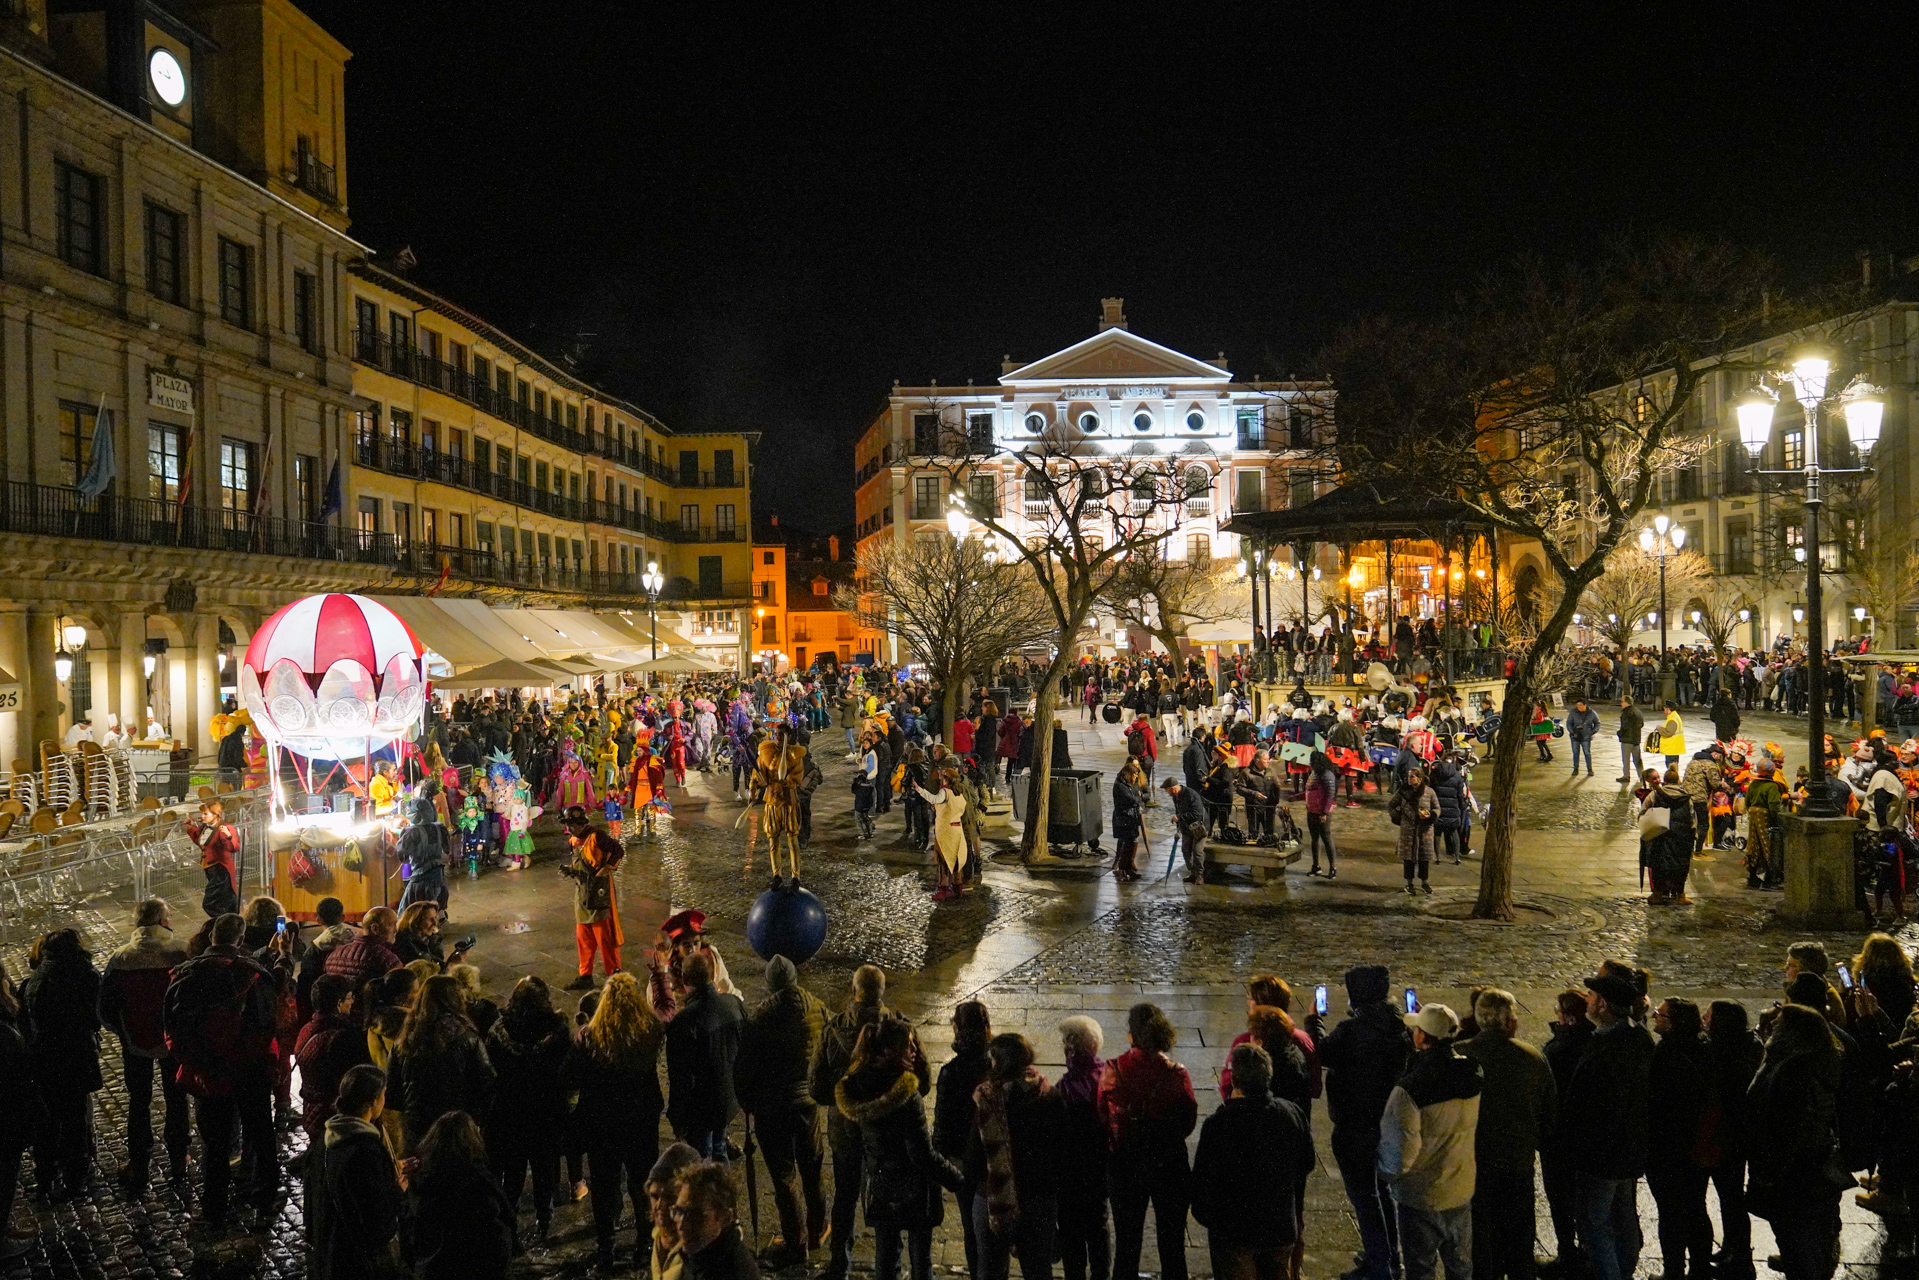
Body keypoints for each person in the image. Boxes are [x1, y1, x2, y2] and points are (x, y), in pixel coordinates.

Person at [162, 913, 285, 1226]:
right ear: (240, 940)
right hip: (249, 1071)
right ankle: (264, 1196)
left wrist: (196, 1063)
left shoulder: (185, 976)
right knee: (261, 1135)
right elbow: (267, 1025)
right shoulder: (251, 975)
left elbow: (172, 1029)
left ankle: (214, 1205)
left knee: (214, 1143)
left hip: (209, 1072)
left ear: (211, 937)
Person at [812, 965, 928, 1280]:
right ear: (882, 992)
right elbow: (924, 1083)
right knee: (889, 1199)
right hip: (889, 1133)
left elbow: (817, 1088)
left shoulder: (833, 1030)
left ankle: (839, 1266)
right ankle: (889, 1269)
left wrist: (845, 1094)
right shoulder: (900, 1029)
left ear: (854, 991)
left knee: (845, 1197)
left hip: (845, 1130)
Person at [836, 1014, 961, 1280]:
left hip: (880, 1182)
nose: (915, 1050)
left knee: (885, 1255)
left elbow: (853, 1138)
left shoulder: (856, 1085)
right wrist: (956, 1179)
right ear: (891, 1050)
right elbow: (922, 1154)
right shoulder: (906, 1094)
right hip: (914, 1187)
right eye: (909, 1045)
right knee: (920, 1258)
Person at [564, 971, 667, 1273]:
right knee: (642, 1182)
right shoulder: (649, 1031)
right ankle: (644, 1245)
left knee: (604, 1185)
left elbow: (568, 1077)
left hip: (602, 1123)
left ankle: (606, 1248)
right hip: (640, 1120)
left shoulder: (589, 1037)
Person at [1315, 964, 1412, 1280]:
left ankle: (1379, 1266)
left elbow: (1322, 1052)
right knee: (1381, 1193)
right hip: (1386, 1121)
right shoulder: (1399, 1027)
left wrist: (1314, 1023)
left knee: (1364, 1197)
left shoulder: (1352, 1031)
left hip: (1354, 1123)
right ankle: (1388, 1255)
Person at [1559, 971, 1656, 1280]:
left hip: (1602, 1154)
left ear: (1603, 1004)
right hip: (1630, 1149)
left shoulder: (1603, 1046)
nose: (1587, 1001)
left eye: (1592, 997)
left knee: (1594, 1223)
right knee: (1624, 1216)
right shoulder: (1640, 1039)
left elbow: (1587, 1103)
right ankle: (1624, 1271)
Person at [1190, 1041, 1314, 1280]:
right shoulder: (1292, 1113)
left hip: (1234, 1232)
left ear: (1236, 1081)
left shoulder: (1220, 1124)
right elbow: (1306, 1163)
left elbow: (1203, 1181)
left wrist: (1210, 1219)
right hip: (1279, 1227)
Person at [734, 956, 828, 1269]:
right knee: (812, 1168)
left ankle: (795, 1243)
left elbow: (745, 1065)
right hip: (807, 1104)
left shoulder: (762, 1016)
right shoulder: (816, 1007)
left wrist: (746, 1101)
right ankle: (817, 1230)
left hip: (773, 1107)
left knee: (785, 1177)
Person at [1379, 1003, 1482, 1280]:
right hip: (1460, 1187)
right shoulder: (1473, 1073)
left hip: (1421, 1196)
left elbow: (1400, 1155)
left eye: (1417, 1029)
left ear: (1423, 1037)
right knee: (1461, 1267)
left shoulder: (1409, 1090)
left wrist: (1385, 1175)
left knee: (1421, 1270)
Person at [1745, 1004, 1849, 1280]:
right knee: (1808, 1237)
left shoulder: (1792, 1069)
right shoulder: (1813, 1061)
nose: (1774, 1026)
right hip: (1810, 1167)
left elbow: (1790, 1127)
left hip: (1791, 1174)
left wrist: (1771, 1173)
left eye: (1780, 1023)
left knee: (1796, 1239)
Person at [96, 897, 190, 1193]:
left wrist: (123, 1032)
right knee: (177, 1099)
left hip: (134, 1040)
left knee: (139, 1102)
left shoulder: (120, 958)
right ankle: (178, 1159)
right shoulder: (180, 952)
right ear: (162, 921)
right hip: (173, 1040)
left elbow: (105, 1006)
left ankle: (139, 1163)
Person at [1460, 989, 1555, 1280]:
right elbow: (1549, 1115)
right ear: (1510, 1022)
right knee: (1518, 1237)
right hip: (1516, 1161)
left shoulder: (1461, 1056)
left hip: (1474, 1161)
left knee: (1479, 1237)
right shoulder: (1532, 1058)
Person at [1101, 1002, 1197, 1280]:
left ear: (1131, 1035)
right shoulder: (1177, 1073)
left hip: (1126, 1163)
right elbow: (1188, 1119)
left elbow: (1103, 1115)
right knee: (1173, 1244)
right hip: (1169, 1163)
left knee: (1127, 1244)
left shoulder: (1114, 1069)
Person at [965, 1033, 1063, 1280]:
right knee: (1038, 1272)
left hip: (993, 1198)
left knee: (990, 1271)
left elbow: (974, 1157)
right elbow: (1060, 1152)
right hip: (1037, 1199)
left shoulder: (985, 1098)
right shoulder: (1048, 1094)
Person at [484, 975, 571, 1247]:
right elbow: (565, 1072)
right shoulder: (556, 1030)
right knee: (545, 1169)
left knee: (513, 1173)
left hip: (510, 1111)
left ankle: (509, 1228)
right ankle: (544, 1221)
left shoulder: (499, 1031)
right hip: (545, 1112)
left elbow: (491, 1071)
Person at [22, 929, 102, 1202]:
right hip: (76, 1057)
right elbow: (95, 1019)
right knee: (75, 1120)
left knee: (47, 1122)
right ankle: (75, 1178)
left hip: (45, 1059)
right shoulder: (87, 976)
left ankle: (45, 1176)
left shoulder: (36, 980)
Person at [1646, 998, 1714, 1280]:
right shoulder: (1702, 1047)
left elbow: (1657, 1100)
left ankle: (1674, 1270)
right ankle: (1700, 1268)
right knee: (1696, 1208)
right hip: (1697, 1145)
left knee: (1671, 1213)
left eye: (1661, 1014)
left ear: (1674, 1023)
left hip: (1670, 1148)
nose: (1655, 1017)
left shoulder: (1667, 1052)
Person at [406, 1110, 515, 1280]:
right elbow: (502, 1224)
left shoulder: (423, 1183)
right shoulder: (480, 1180)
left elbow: (414, 1236)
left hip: (436, 1270)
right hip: (478, 1269)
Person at [317, 1065, 402, 1280]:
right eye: (383, 1094)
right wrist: (398, 1188)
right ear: (373, 1101)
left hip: (336, 1249)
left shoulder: (332, 1136)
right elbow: (376, 1218)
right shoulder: (365, 1148)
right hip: (359, 1261)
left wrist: (389, 1170)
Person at [1703, 1001, 1763, 1280]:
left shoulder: (1725, 1052)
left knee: (1731, 1198)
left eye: (1709, 1016)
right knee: (1730, 1197)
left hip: (1728, 1134)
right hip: (1736, 1133)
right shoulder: (1745, 1044)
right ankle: (1732, 1248)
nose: (1704, 1019)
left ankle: (1740, 1258)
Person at [934, 1002, 994, 1280]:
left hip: (963, 1161)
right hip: (995, 1157)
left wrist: (940, 1163)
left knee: (971, 1228)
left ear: (957, 1029)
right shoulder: (995, 1067)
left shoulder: (951, 1072)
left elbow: (942, 1125)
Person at [1537, 991, 1593, 1278]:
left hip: (1559, 1139)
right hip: (1586, 1136)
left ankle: (1567, 1253)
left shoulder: (1557, 1050)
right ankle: (1587, 1252)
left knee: (1560, 1199)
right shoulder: (1594, 1041)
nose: (1556, 1014)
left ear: (1568, 1016)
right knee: (1584, 1199)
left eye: (1557, 1010)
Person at [1055, 1016, 1110, 1280]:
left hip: (1069, 1174)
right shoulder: (1107, 1079)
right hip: (1099, 1169)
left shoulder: (1063, 1090)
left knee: (1071, 1233)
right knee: (1098, 1227)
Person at [562, 808, 627, 989]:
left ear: (582, 823)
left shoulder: (598, 837)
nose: (570, 829)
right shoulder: (573, 841)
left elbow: (618, 851)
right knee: (583, 936)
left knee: (604, 934)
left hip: (599, 891)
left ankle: (614, 973)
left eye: (573, 825)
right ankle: (585, 975)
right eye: (568, 825)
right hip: (582, 892)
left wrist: (605, 870)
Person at [676, 1160, 761, 1280]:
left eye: (696, 1216)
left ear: (725, 1219)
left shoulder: (735, 1273)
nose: (682, 1226)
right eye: (679, 1211)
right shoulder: (699, 1252)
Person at [645, 1142, 705, 1280]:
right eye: (654, 1196)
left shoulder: (699, 1249)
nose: (659, 1206)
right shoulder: (660, 1234)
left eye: (670, 1197)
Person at [1642, 767, 1696, 906]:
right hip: (1681, 836)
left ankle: (1658, 894)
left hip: (1660, 836)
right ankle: (1680, 895)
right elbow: (1693, 818)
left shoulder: (1655, 794)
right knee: (1680, 865)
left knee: (1659, 865)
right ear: (1678, 781)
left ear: (1664, 781)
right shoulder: (1686, 797)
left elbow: (1644, 812)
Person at [323, 906, 404, 998]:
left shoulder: (334, 955)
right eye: (391, 925)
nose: (396, 930)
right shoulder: (387, 959)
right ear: (375, 929)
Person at [185, 801, 240, 918]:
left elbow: (234, 848)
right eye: (202, 813)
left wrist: (228, 835)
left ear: (215, 815)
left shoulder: (225, 828)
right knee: (225, 900)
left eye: (205, 814)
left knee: (210, 903)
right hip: (210, 868)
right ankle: (229, 921)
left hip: (221, 869)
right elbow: (201, 842)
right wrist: (191, 828)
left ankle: (223, 921)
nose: (202, 816)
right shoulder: (204, 828)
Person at [396, 796, 451, 913]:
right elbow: (447, 849)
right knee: (436, 906)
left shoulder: (411, 832)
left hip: (420, 878)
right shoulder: (439, 828)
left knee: (408, 911)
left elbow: (402, 856)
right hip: (438, 876)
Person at [1393, 766, 1439, 895]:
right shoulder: (1403, 792)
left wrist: (1430, 815)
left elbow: (1437, 808)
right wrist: (1398, 817)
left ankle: (1425, 882)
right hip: (1408, 830)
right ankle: (1409, 883)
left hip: (1425, 830)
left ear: (1419, 778)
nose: (1408, 779)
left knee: (1424, 857)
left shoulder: (1429, 792)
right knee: (1409, 858)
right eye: (1408, 776)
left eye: (1411, 776)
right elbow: (1391, 806)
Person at [1160, 776, 1211, 885]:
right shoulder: (1176, 796)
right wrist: (1179, 827)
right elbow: (1178, 811)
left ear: (1173, 788)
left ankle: (1199, 875)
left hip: (1199, 827)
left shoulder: (1191, 795)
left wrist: (1180, 817)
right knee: (1185, 850)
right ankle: (1193, 872)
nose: (1167, 792)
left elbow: (1197, 813)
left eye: (1167, 790)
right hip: (1187, 827)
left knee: (1197, 851)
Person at [1111, 758, 1149, 883]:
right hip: (1124, 819)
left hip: (1131, 818)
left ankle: (1128, 869)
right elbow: (1133, 799)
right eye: (1134, 775)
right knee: (1126, 846)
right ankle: (1122, 869)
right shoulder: (1120, 786)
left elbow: (1139, 795)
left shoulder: (1130, 785)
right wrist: (1138, 797)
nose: (1136, 777)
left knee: (1131, 844)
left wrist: (1138, 797)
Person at [1565, 699, 1599, 777]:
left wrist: (1592, 732)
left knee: (1587, 753)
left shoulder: (1591, 713)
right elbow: (1569, 723)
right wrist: (1572, 732)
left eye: (1580, 705)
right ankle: (1575, 769)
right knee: (1575, 753)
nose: (1578, 707)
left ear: (1585, 705)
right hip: (1575, 736)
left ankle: (1589, 769)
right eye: (1577, 705)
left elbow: (1597, 723)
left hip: (1586, 736)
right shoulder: (1573, 712)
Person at [1616, 697, 1645, 784]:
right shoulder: (1638, 711)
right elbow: (1641, 724)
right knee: (1637, 759)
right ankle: (1642, 776)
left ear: (1626, 702)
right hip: (1636, 739)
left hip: (1627, 739)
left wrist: (1619, 733)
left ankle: (1626, 775)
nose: (1621, 703)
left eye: (1622, 701)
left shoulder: (1626, 712)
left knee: (1626, 759)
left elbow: (1625, 726)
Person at [1657, 701, 1686, 767]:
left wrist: (1659, 728)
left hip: (1672, 748)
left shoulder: (1672, 719)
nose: (1664, 711)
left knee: (1671, 767)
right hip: (1674, 747)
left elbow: (1668, 732)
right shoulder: (1674, 716)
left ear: (1668, 709)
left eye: (1664, 709)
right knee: (1673, 767)